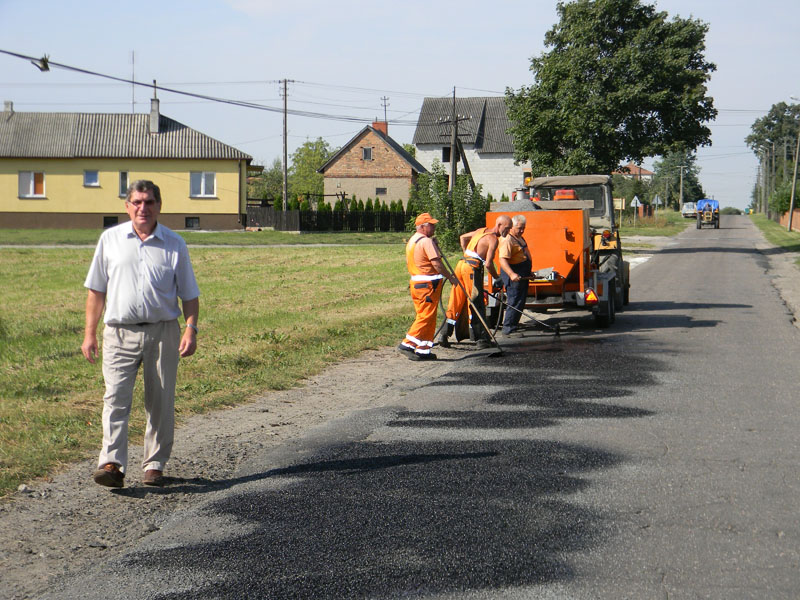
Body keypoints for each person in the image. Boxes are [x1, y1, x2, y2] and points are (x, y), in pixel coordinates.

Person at [81, 180, 200, 488]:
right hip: (119, 333)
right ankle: (111, 464)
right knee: (115, 399)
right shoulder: (110, 240)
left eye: (148, 202)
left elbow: (189, 294)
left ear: (159, 206)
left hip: (163, 333)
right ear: (127, 206)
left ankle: (154, 464)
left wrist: (190, 329)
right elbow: (96, 291)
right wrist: (89, 333)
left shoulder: (174, 243)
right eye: (136, 202)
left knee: (160, 400)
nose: (142, 208)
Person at [437, 216, 512, 349]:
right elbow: (488, 264)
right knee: (476, 302)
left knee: (456, 301)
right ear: (499, 225)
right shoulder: (493, 239)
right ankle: (481, 339)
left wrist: (466, 253)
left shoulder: (480, 231)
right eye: (507, 228)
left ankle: (444, 334)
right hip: (471, 270)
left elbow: (462, 237)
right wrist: (497, 278)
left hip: (461, 265)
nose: (508, 231)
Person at [398, 213, 459, 361]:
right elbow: (437, 264)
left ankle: (423, 349)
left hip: (418, 284)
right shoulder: (426, 242)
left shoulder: (413, 240)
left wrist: (435, 246)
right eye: (431, 225)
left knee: (428, 316)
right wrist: (451, 277)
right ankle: (407, 344)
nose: (434, 227)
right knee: (425, 316)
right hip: (428, 285)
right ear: (422, 227)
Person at [498, 214, 532, 335]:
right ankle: (508, 329)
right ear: (512, 227)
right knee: (514, 301)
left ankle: (513, 325)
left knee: (519, 301)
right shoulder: (508, 239)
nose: (522, 230)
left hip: (522, 274)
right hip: (514, 275)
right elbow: (502, 259)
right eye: (519, 228)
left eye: (523, 228)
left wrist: (529, 272)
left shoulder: (518, 237)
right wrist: (511, 274)